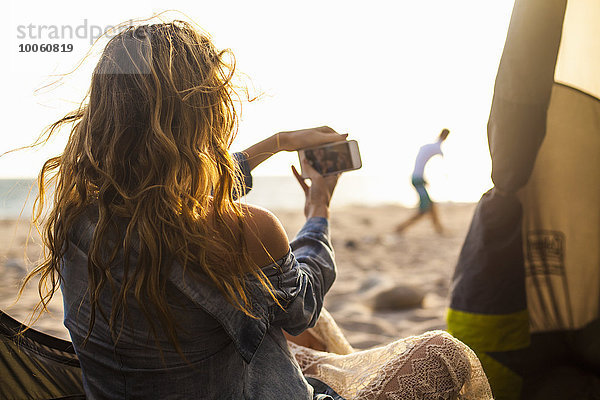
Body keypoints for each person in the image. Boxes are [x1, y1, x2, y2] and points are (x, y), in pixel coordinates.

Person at [21, 22, 491, 399]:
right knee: (442, 355)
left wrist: (278, 142)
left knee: (299, 325)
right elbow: (303, 307)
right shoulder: (244, 232)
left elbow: (171, 195)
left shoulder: (79, 217)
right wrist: (318, 210)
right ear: (204, 114)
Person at [395, 129, 450, 234]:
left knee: (431, 204)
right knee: (424, 208)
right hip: (417, 179)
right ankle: (401, 227)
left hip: (418, 178)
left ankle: (439, 229)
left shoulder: (428, 146)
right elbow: (442, 167)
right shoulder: (437, 149)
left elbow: (420, 162)